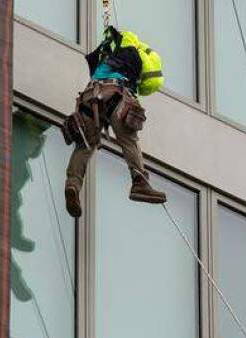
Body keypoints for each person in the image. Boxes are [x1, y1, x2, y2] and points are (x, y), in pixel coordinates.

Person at [60, 25, 168, 216]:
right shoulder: (137, 54)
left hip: (89, 95)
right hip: (116, 92)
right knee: (129, 140)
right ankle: (139, 181)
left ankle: (73, 185)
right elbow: (153, 81)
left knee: (84, 146)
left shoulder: (104, 54)